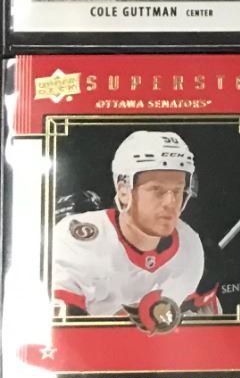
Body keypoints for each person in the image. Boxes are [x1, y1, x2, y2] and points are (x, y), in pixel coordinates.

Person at [52, 129, 219, 331]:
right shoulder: (77, 241)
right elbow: (63, 333)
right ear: (124, 192)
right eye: (157, 190)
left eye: (177, 190)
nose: (171, 202)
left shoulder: (190, 246)